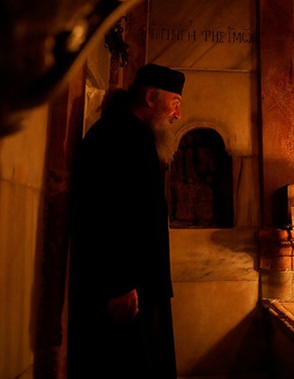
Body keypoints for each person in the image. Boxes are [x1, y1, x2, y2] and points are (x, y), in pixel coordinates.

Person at [67, 64, 185, 378]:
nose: (177, 115)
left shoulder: (134, 135)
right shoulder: (117, 136)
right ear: (150, 98)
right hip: (125, 290)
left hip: (140, 285)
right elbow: (103, 212)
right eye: (175, 103)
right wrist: (118, 283)